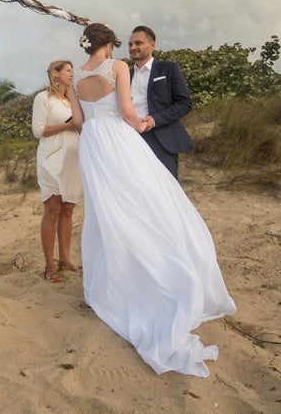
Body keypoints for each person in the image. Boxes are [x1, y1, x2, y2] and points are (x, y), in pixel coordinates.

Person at [68, 22, 236, 377]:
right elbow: (128, 112)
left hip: (93, 146)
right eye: (118, 44)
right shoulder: (117, 68)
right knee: (145, 202)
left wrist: (100, 130)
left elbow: (80, 121)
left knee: (108, 212)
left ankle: (117, 276)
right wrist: (139, 125)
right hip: (119, 138)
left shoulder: (73, 79)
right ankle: (160, 266)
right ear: (108, 45)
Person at [31, 60, 83, 283]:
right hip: (51, 158)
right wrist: (68, 125)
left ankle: (65, 259)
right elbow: (38, 130)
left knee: (68, 209)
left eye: (73, 71)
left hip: (73, 159)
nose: (72, 74)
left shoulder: (73, 100)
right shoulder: (44, 98)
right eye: (68, 70)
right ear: (55, 73)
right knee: (52, 209)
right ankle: (49, 266)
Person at [128, 25, 194, 179]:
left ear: (152, 45)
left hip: (161, 138)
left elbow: (185, 103)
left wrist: (155, 120)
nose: (133, 47)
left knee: (167, 190)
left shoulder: (168, 68)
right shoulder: (126, 74)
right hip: (130, 139)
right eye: (130, 44)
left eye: (138, 43)